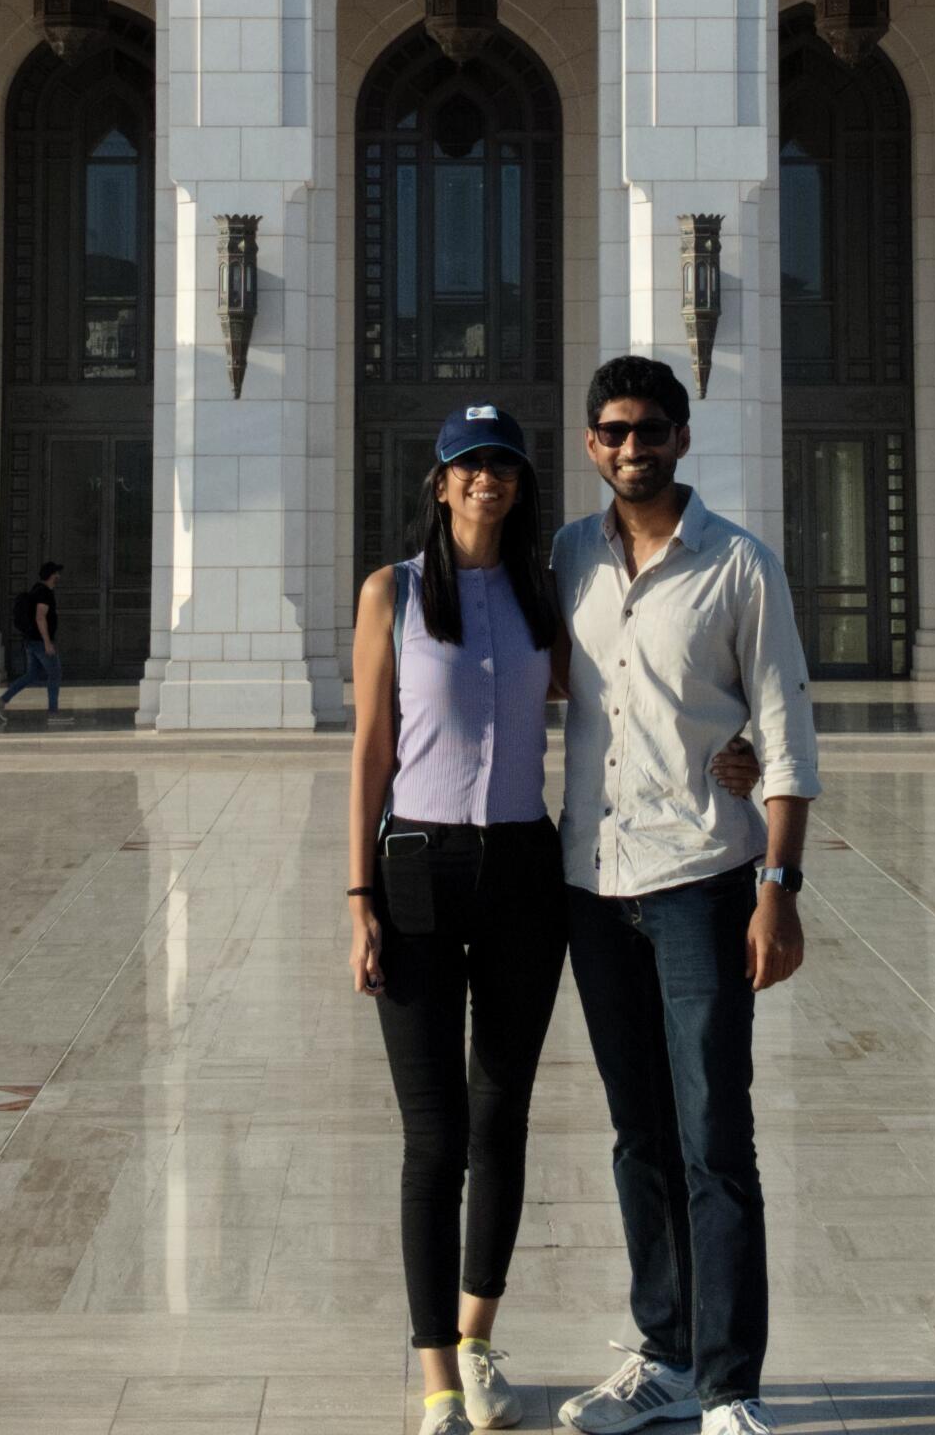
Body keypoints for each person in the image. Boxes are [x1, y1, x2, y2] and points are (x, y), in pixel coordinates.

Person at [352, 405, 766, 1435]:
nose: (486, 480)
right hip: (415, 871)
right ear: (439, 485)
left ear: (522, 485)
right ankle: (437, 1375)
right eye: (467, 466)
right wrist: (357, 896)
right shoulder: (391, 593)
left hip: (524, 874)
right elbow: (368, 751)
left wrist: (738, 741)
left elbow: (634, 695)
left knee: (500, 1121)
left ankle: (480, 1339)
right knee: (431, 1136)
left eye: (501, 465)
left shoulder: (548, 595)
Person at [547, 356, 819, 1435]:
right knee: (636, 1137)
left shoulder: (739, 565)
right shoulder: (570, 556)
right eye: (612, 430)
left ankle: (728, 1383)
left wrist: (778, 889)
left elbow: (788, 737)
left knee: (714, 1136)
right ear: (589, 444)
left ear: (683, 436)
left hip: (702, 883)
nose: (630, 446)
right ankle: (662, 1354)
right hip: (593, 884)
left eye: (649, 429)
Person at [0, 559, 65, 717]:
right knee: (54, 674)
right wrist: (47, 642)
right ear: (50, 575)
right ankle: (53, 712)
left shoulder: (37, 589)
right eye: (56, 573)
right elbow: (40, 617)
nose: (58, 576)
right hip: (40, 642)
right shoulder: (44, 593)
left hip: (31, 641)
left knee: (32, 674)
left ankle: (2, 700)